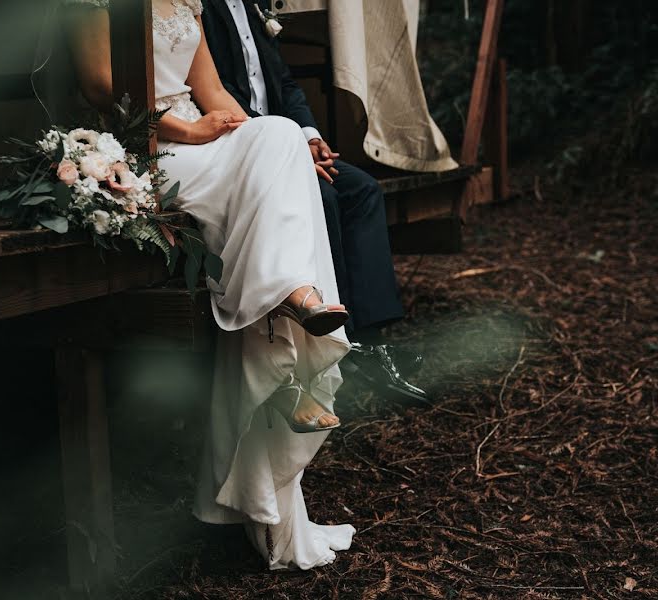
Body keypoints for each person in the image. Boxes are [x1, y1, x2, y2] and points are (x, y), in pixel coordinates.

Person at [64, 0, 356, 569]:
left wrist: (259, 141)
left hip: (207, 142)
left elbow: (214, 90)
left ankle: (291, 294)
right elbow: (104, 90)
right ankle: (294, 325)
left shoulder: (185, 0)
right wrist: (191, 129)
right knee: (280, 168)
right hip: (149, 151)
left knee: (280, 136)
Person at [200, 0, 427, 402]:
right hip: (242, 146)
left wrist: (310, 137)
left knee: (360, 190)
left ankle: (370, 342)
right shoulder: (200, 8)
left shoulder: (254, 8)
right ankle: (334, 346)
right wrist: (285, 148)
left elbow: (284, 83)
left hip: (288, 141)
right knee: (321, 197)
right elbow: (214, 94)